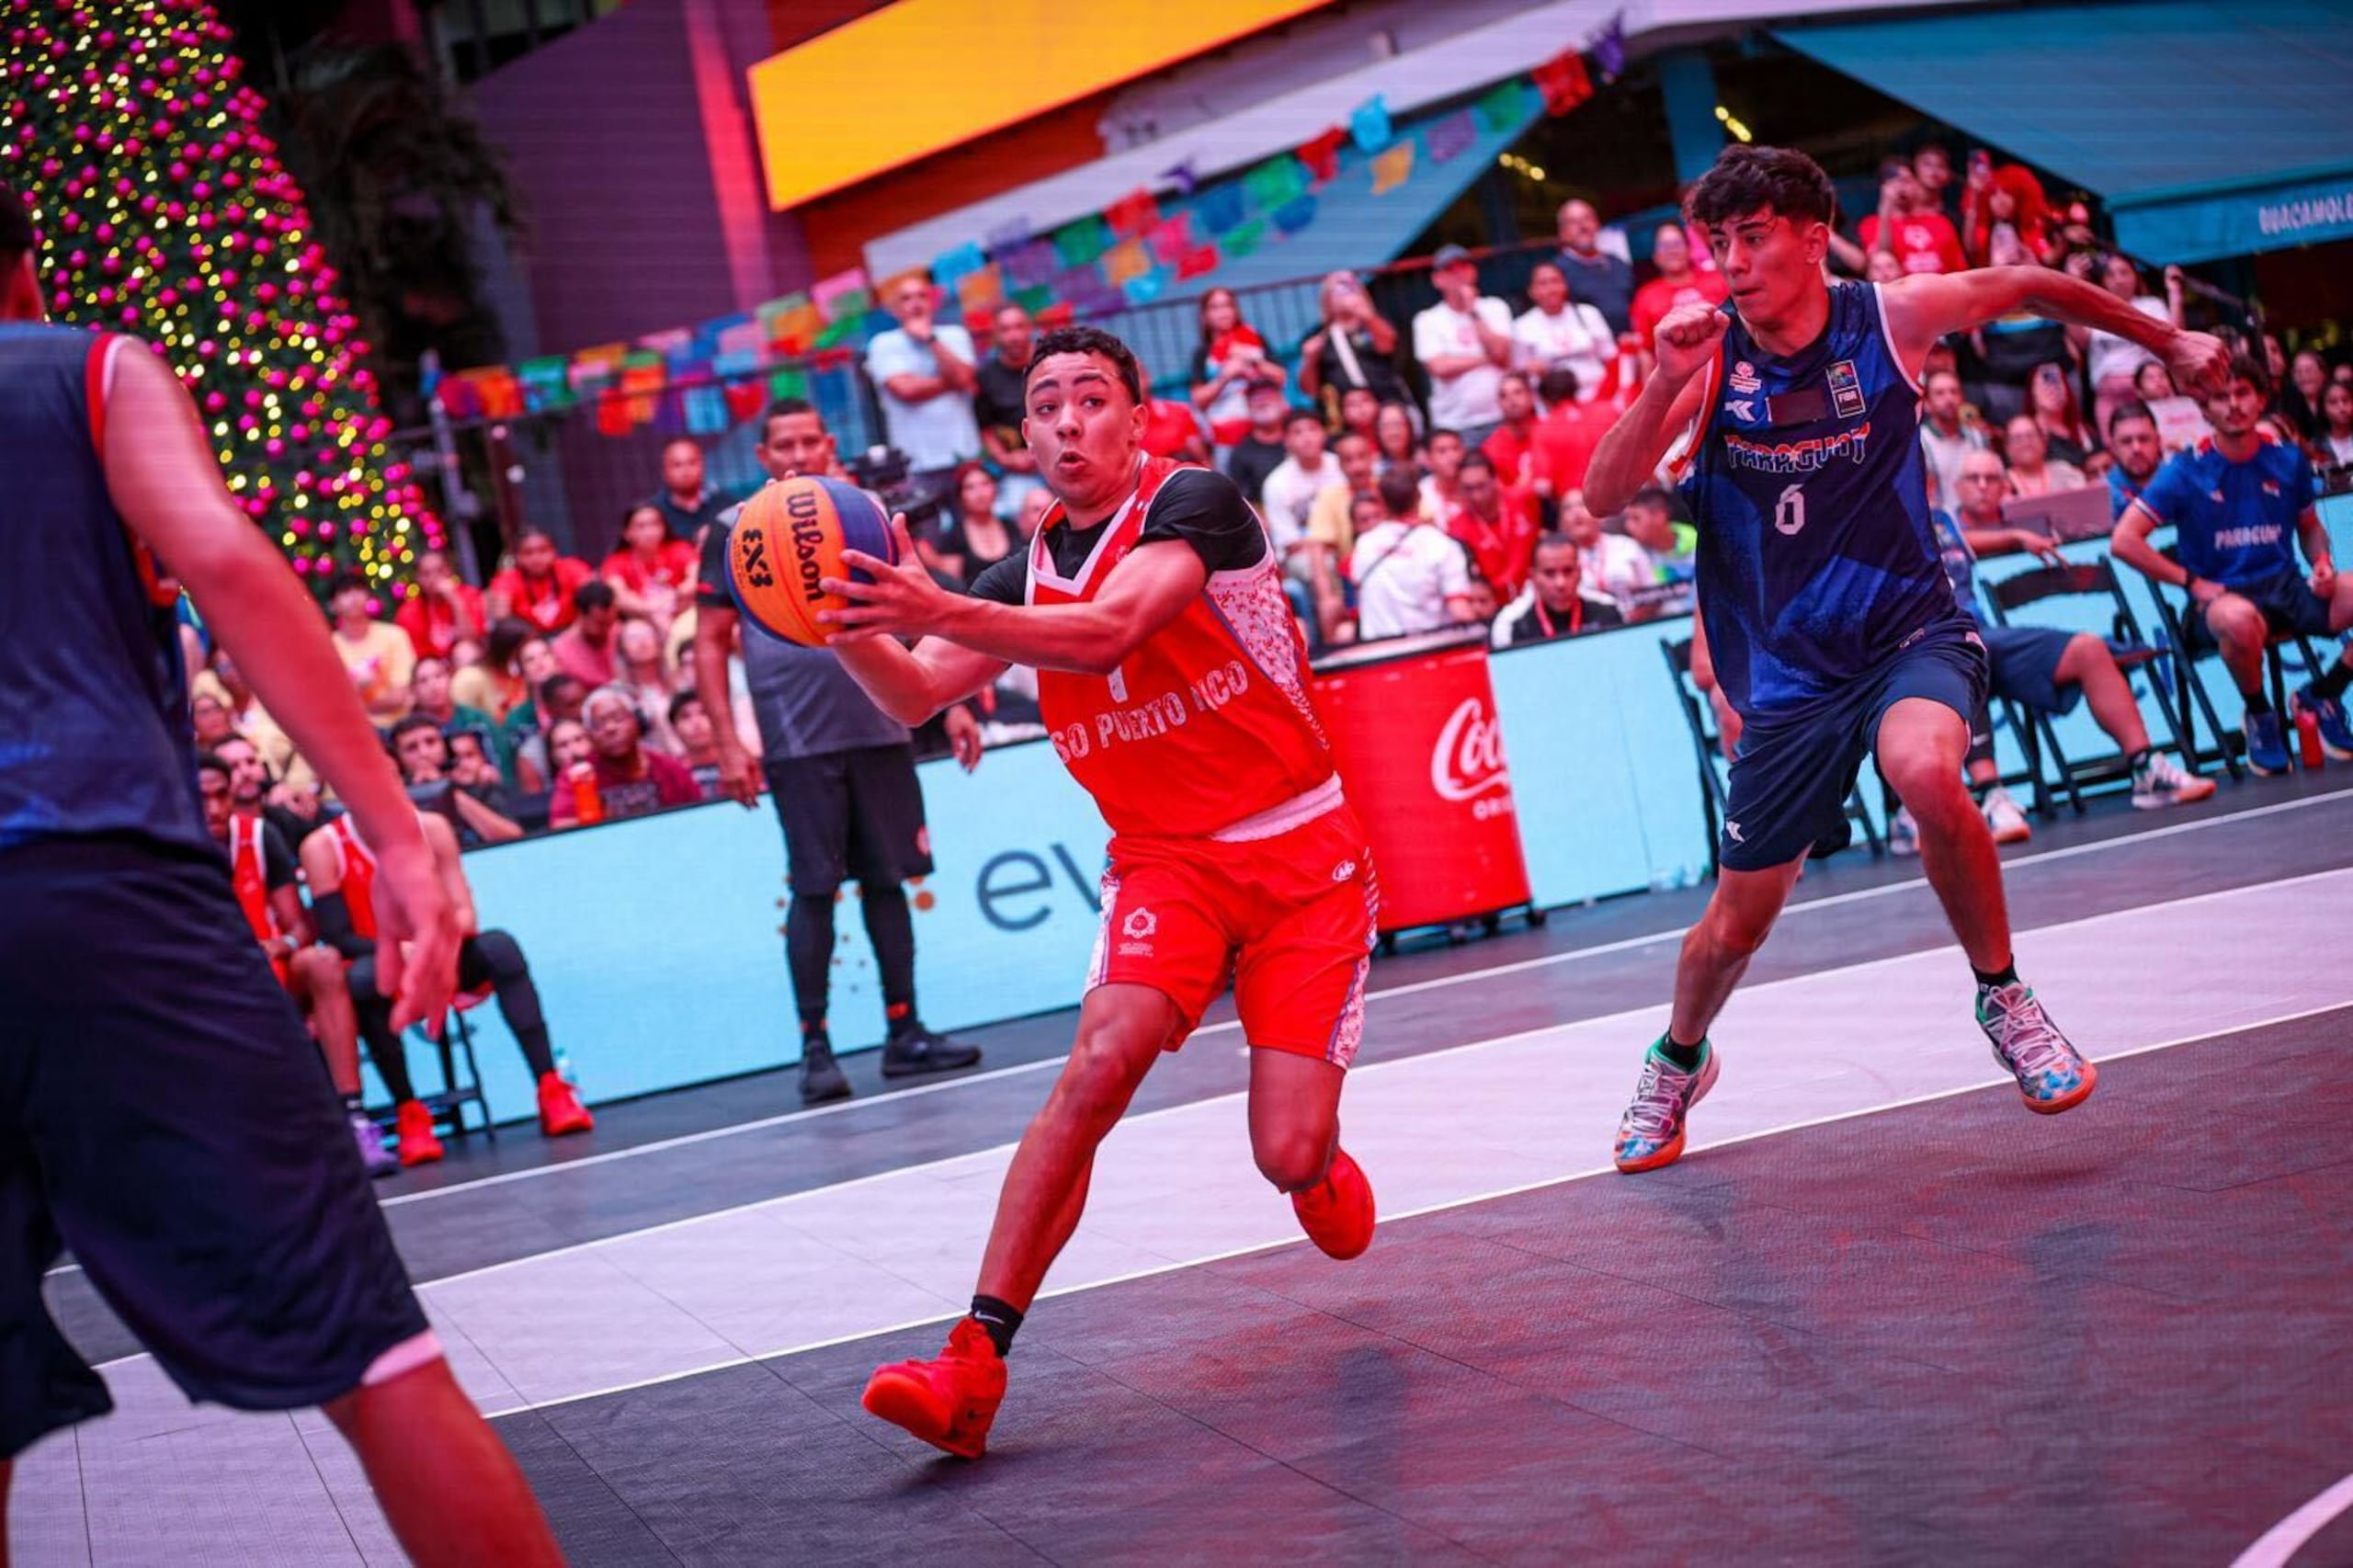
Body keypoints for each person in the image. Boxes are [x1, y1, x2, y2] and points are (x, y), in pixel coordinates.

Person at [0, 178, 560, 1562]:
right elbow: (228, 562)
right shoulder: (85, 369)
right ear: (24, 273)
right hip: (91, 878)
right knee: (376, 1356)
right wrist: (394, 831)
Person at [1583, 143, 2227, 1174]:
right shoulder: (1706, 359)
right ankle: (1680, 1055)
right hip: (1790, 677)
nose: (1734, 262)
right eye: (1720, 243)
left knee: (1924, 769)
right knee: (1735, 925)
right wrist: (1662, 378)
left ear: (1812, 238)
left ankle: (2004, 996)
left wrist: (2168, 337)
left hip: (1908, 631)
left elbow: (2028, 282)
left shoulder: (1889, 317)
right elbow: (1602, 496)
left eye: (1753, 238)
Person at [817, 324, 1381, 1461]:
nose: (1067, 420)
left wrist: (933, 605)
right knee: (1094, 1067)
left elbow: (1108, 629)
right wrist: (837, 620)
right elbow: (915, 694)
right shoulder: (1018, 572)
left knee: (1284, 1150)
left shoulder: (1196, 504)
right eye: (1045, 405)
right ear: (1023, 436)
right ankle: (970, 1362)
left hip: (1299, 855)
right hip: (1165, 862)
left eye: (1089, 398)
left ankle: (1314, 1160)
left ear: (1136, 417)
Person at [693, 398, 982, 1103]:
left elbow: (915, 609)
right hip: (797, 738)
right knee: (815, 887)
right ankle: (815, 1048)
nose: (796, 455)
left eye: (807, 442)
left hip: (882, 722)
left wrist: (953, 700)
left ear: (828, 445)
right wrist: (727, 742)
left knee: (889, 879)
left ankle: (904, 1032)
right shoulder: (731, 530)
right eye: (782, 445)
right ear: (762, 457)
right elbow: (708, 641)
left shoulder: (865, 514)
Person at [1932, 449, 2213, 837]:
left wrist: (2014, 535)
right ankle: (1992, 797)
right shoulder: (1879, 526)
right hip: (1939, 648)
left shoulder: (1941, 520)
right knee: (1965, 653)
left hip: (1986, 634)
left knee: (2089, 649)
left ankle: (2146, 769)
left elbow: (1967, 541)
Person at [306, 809, 593, 1165]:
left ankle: (551, 1088)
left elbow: (465, 914)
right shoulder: (324, 847)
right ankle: (409, 1112)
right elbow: (337, 937)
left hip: (442, 951)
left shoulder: (432, 828)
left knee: (500, 948)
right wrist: (400, 950)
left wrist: (431, 945)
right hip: (383, 960)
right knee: (362, 980)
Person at [2111, 352, 2353, 773]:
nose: (2234, 405)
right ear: (2205, 409)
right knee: (2238, 619)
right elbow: (2124, 541)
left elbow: (2310, 528)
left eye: (2242, 393)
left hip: (2286, 586)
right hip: (2219, 601)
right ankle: (2260, 715)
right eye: (2221, 397)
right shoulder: (2185, 469)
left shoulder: (2288, 459)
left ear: (2261, 400)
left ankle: (2323, 693)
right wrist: (2192, 583)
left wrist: (2322, 562)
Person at [197, 756, 391, 1177]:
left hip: (271, 968)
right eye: (202, 798)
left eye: (221, 795)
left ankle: (354, 1117)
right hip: (209, 980)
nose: (213, 808)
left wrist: (278, 944)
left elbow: (300, 927)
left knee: (323, 961)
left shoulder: (258, 835)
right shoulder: (167, 850)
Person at [866, 273, 982, 488]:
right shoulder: (883, 344)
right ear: (894, 309)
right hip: (917, 462)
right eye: (906, 298)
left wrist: (930, 339)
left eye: (922, 296)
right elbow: (905, 390)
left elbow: (964, 377)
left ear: (933, 302)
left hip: (964, 455)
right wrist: (952, 382)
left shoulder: (955, 335)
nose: (915, 303)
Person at [1350, 466, 1478, 639]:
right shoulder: (1441, 545)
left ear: (1382, 502)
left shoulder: (1364, 545)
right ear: (1419, 497)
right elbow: (1460, 610)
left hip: (1378, 651)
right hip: (1428, 649)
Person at [1412, 244, 1513, 450]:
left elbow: (1501, 353)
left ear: (1473, 272)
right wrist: (1487, 359)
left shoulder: (1495, 307)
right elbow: (1440, 367)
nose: (1458, 274)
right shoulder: (1427, 319)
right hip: (1456, 425)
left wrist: (1473, 312)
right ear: (1437, 280)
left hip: (1501, 417)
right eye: (1450, 270)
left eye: (1463, 267)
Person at [389, 712, 525, 846]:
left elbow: (513, 837)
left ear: (446, 746)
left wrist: (447, 791)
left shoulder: (479, 785)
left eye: (431, 742)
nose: (424, 753)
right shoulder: (394, 797)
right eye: (412, 748)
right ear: (399, 758)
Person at [1188, 287, 1284, 450]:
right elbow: (1198, 400)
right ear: (1204, 316)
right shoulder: (1202, 354)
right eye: (1215, 307)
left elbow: (1281, 377)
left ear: (1236, 310)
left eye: (1227, 305)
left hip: (1267, 427)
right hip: (1227, 435)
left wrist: (1255, 362)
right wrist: (1225, 377)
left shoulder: (1255, 339)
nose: (1223, 312)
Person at [1298, 269, 1407, 413]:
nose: (1344, 294)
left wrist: (1367, 315)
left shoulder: (1377, 322)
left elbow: (1388, 346)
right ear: (1327, 299)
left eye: (1349, 287)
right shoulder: (1319, 337)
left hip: (1387, 405)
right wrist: (1309, 360)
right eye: (1337, 289)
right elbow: (1310, 390)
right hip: (1345, 413)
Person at [975, 302, 1046, 520]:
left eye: (1019, 327)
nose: (1014, 336)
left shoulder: (1051, 364)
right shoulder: (986, 376)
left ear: (1029, 328)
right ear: (995, 335)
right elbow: (985, 428)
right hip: (1018, 470)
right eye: (1005, 329)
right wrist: (1006, 459)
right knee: (1018, 516)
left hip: (1059, 457)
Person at [1512, 259, 1616, 405]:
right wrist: (1530, 369)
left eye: (1555, 281)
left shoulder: (1588, 314)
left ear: (1565, 285)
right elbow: (1519, 371)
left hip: (1599, 394)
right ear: (1532, 292)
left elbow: (1610, 356)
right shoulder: (1522, 326)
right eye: (1543, 283)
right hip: (1554, 402)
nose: (1551, 289)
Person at [1630, 222, 1730, 367]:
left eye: (1677, 244)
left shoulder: (1718, 280)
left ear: (1689, 249)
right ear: (1655, 256)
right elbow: (1645, 351)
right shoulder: (1646, 296)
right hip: (1678, 374)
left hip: (1728, 365)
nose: (1672, 251)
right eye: (1664, 246)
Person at [1443, 451, 1540, 599]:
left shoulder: (1524, 501)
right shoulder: (1456, 528)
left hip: (1536, 593)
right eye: (1469, 488)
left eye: (1481, 486)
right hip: (1494, 601)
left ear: (1495, 480)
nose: (1476, 496)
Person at [1497, 533, 1623, 645]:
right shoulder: (1513, 624)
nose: (1560, 583)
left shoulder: (1607, 611)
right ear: (1533, 577)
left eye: (1568, 571)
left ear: (1579, 572)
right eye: (1549, 573)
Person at [326, 572, 415, 726]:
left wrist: (355, 704)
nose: (354, 598)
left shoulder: (395, 635)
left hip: (398, 726)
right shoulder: (328, 646)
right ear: (332, 605)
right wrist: (356, 688)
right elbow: (330, 702)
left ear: (368, 596)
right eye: (345, 592)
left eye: (358, 590)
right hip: (349, 728)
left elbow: (401, 695)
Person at [600, 501, 699, 636]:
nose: (650, 532)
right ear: (627, 533)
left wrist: (681, 593)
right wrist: (651, 610)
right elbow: (619, 596)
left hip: (683, 613)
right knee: (635, 632)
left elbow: (696, 577)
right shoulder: (616, 561)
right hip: (643, 620)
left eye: (655, 524)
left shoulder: (680, 549)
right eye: (641, 526)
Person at [1558, 489, 1656, 614]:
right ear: (1561, 523)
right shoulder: (1557, 559)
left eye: (1583, 505)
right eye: (1568, 508)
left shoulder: (1626, 545)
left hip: (1638, 620)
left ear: (1600, 516)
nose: (1576, 513)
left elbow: (1656, 593)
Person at [1527, 367, 1611, 502]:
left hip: (1577, 505)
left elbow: (1543, 486)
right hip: (1620, 497)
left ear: (1545, 401)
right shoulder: (1607, 411)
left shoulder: (1543, 429)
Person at [486, 528, 593, 634]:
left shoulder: (572, 568)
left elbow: (594, 600)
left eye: (543, 551)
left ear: (555, 551)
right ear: (516, 556)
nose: (536, 558)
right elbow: (502, 620)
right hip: (529, 638)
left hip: (575, 632)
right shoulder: (506, 580)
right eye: (528, 553)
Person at [1554, 198, 1635, 335]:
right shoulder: (1557, 272)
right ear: (1562, 233)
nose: (1583, 226)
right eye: (1573, 222)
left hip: (1629, 342)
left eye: (1587, 218)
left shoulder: (1618, 263)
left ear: (1597, 224)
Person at [1916, 366, 1987, 515]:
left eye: (1954, 392)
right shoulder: (1919, 443)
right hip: (1940, 523)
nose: (1949, 399)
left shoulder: (1978, 438)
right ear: (1927, 404)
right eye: (1940, 393)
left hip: (1979, 518)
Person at [394, 549, 484, 663]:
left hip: (466, 662)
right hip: (432, 666)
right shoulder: (408, 613)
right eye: (426, 574)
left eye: (439, 571)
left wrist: (454, 601)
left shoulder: (470, 596)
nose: (433, 578)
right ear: (418, 578)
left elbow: (471, 640)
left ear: (449, 571)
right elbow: (414, 656)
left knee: (465, 652)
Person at [648, 437, 733, 544]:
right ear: (664, 471)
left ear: (703, 465)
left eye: (692, 462)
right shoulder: (653, 514)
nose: (686, 470)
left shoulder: (728, 505)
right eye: (677, 465)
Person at [1221, 381, 1291, 507]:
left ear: (1283, 402)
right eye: (1256, 399)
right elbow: (1243, 502)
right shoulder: (1241, 454)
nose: (1262, 402)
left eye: (1268, 396)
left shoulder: (1300, 437)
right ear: (1248, 407)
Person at [551, 577, 621, 687]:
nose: (607, 629)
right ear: (581, 615)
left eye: (610, 623)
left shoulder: (619, 632)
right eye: (600, 624)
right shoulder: (561, 652)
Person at [2025, 361, 2096, 468]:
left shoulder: (2085, 432)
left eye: (2056, 383)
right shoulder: (2027, 436)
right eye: (2045, 385)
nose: (2052, 390)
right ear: (2032, 395)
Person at [1482, 370, 1541, 491]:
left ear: (1532, 397)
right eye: (1504, 396)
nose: (1511, 399)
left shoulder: (1551, 433)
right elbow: (1500, 495)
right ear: (1499, 404)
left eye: (1518, 392)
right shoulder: (1491, 448)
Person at [2103, 402, 2165, 517]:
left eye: (2144, 439)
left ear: (2158, 442)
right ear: (2113, 448)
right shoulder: (2102, 497)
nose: (2136, 448)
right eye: (2126, 441)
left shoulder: (2182, 484)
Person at [2003, 415, 2086, 498]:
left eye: (2030, 436)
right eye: (2017, 439)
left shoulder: (2064, 473)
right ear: (2007, 448)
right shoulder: (2002, 484)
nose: (2026, 443)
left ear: (2043, 442)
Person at [669, 689, 724, 800]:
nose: (696, 723)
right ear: (674, 729)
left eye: (704, 713)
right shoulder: (669, 775)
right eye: (685, 717)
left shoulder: (741, 764)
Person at [1370, 399, 1423, 477]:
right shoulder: (1373, 470)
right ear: (1378, 432)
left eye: (1398, 424)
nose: (1393, 432)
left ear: (1409, 427)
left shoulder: (1426, 463)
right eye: (1386, 426)